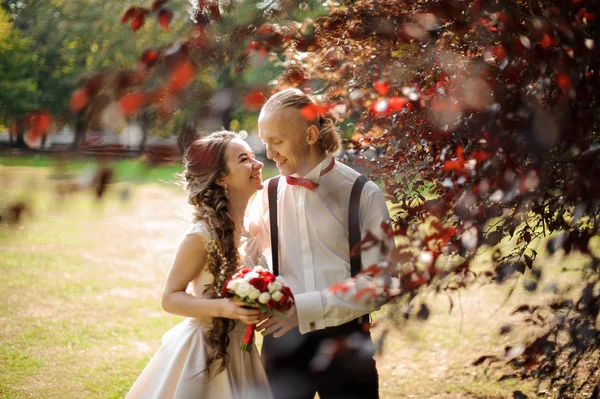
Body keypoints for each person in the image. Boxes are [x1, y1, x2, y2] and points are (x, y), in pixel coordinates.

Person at [253, 88, 394, 399]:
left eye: (276, 141)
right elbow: (247, 262)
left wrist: (302, 309)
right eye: (265, 142)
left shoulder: (362, 194)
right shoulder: (266, 194)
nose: (269, 153)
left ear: (311, 135)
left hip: (346, 346)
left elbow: (381, 283)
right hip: (281, 345)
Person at [126, 131, 273, 399]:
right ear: (221, 177)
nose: (258, 163)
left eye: (253, 156)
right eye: (244, 159)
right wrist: (225, 308)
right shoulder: (200, 235)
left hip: (243, 352)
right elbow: (170, 299)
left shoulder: (252, 228)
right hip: (204, 354)